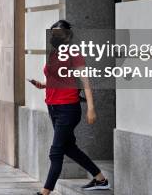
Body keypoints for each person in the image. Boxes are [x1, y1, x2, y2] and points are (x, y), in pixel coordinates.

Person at [31, 20, 110, 194]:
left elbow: (85, 81)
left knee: (56, 152)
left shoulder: (74, 54)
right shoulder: (53, 54)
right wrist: (42, 84)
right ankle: (100, 179)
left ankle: (45, 192)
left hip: (68, 108)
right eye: (52, 33)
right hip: (53, 108)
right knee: (69, 148)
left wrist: (91, 108)